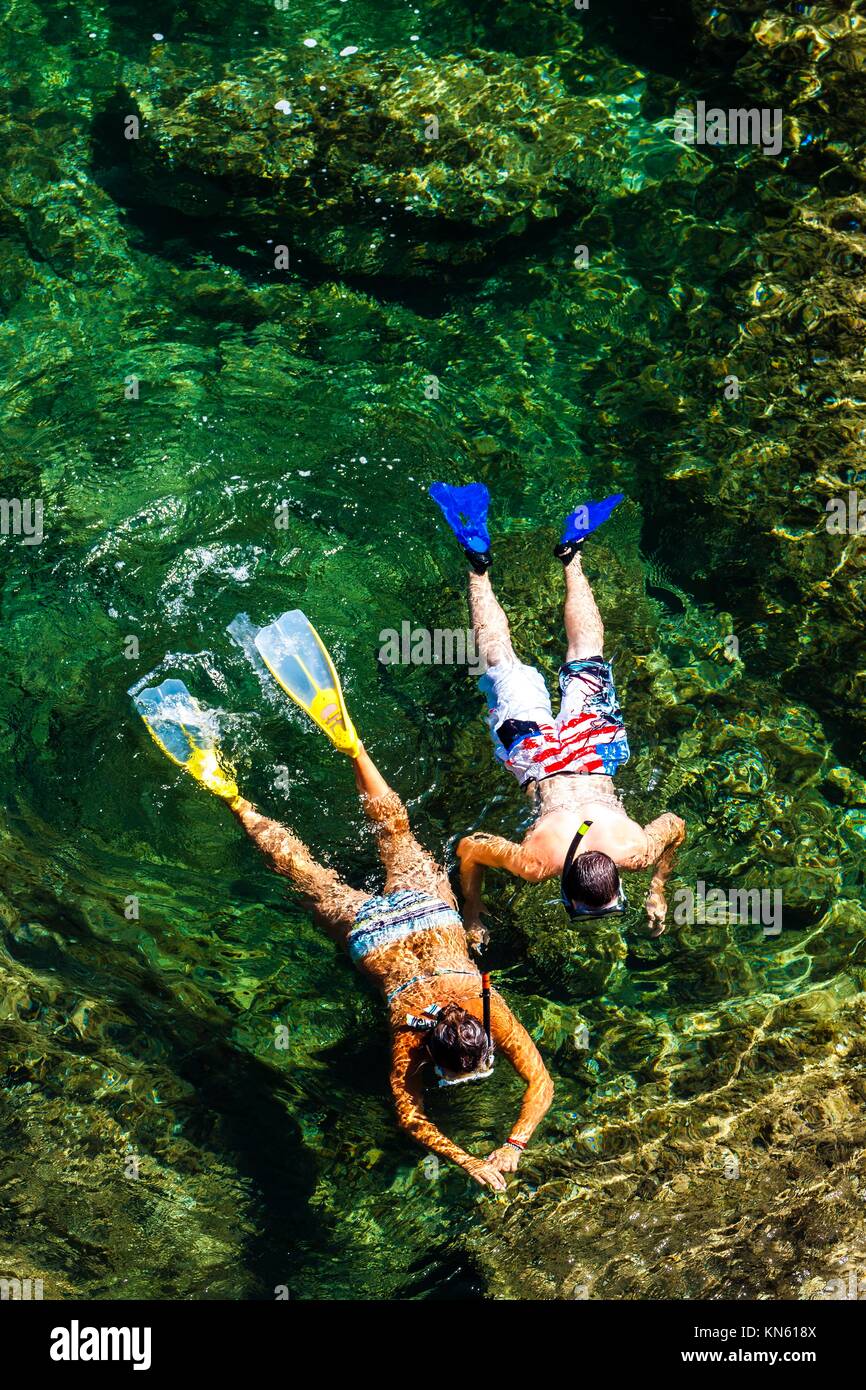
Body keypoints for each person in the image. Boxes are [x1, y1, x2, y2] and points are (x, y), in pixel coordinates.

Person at [133, 678, 553, 1190]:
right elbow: (414, 1118)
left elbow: (539, 1082)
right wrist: (478, 1156)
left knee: (394, 833)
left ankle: (353, 749)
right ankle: (234, 799)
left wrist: (513, 1143)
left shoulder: (485, 1006)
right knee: (304, 874)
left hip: (431, 918)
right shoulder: (407, 1043)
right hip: (372, 938)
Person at [429, 483, 686, 945]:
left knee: (586, 652)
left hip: (594, 750)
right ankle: (478, 567)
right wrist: (470, 909)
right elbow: (470, 847)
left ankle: (571, 554)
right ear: (566, 892)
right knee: (500, 662)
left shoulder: (635, 850)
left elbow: (673, 826)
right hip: (537, 758)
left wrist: (656, 882)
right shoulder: (536, 865)